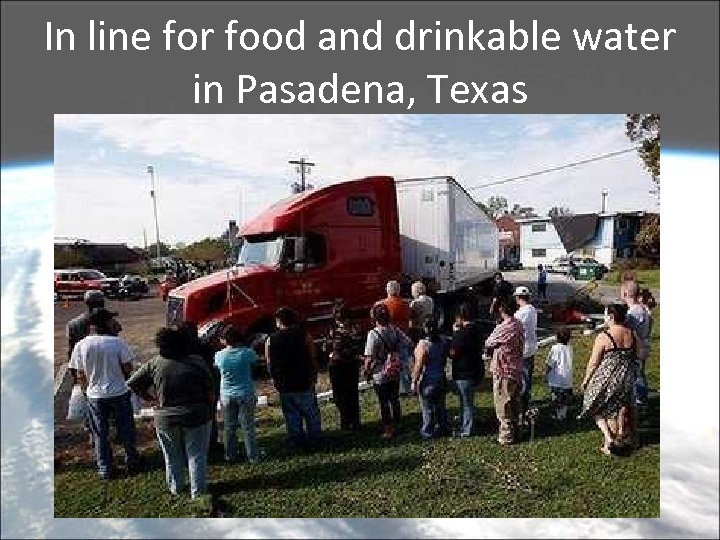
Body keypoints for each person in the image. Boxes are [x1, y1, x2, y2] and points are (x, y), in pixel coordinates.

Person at [128, 327, 215, 498]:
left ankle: (176, 488)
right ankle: (198, 491)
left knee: (171, 455)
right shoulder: (197, 361)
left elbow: (132, 383)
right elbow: (210, 389)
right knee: (196, 454)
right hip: (196, 414)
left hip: (166, 417)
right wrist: (209, 409)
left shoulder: (154, 363)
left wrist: (150, 399)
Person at [69, 308, 141, 480]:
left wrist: (87, 391)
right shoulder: (116, 342)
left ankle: (105, 468)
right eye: (110, 320)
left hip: (95, 396)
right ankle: (132, 460)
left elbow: (79, 374)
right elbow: (128, 368)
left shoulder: (81, 345)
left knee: (100, 433)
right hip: (119, 392)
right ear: (103, 323)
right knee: (126, 429)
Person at [578, 303, 643, 455]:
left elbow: (594, 362)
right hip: (627, 377)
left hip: (608, 379)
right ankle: (631, 437)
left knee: (592, 403)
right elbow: (641, 354)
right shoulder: (632, 333)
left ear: (612, 317)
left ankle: (609, 439)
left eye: (606, 315)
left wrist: (586, 380)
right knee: (626, 405)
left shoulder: (604, 336)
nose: (605, 318)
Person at [266, 307, 322, 449]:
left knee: (291, 414)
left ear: (279, 321)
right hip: (304, 378)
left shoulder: (271, 340)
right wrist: (314, 374)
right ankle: (315, 438)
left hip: (284, 382)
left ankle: (296, 439)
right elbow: (312, 357)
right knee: (310, 412)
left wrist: (273, 379)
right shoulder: (304, 335)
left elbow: (269, 362)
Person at [363, 303, 413, 439]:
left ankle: (388, 429)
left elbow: (369, 357)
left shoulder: (373, 334)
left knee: (383, 402)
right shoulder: (394, 330)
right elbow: (408, 342)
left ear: (375, 318)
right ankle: (398, 424)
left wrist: (366, 371)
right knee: (394, 399)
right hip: (394, 370)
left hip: (380, 372)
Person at [214, 325, 260, 463]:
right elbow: (255, 362)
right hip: (245, 392)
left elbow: (217, 368)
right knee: (248, 426)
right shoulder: (247, 353)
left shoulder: (219, 355)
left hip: (227, 394)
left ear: (224, 340)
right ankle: (253, 455)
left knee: (229, 426)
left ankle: (230, 455)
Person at [178, 321, 224, 458]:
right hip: (207, 385)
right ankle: (212, 443)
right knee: (210, 416)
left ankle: (188, 446)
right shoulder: (203, 347)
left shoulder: (180, 350)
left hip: (187, 387)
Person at [485, 297, 525, 445]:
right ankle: (517, 429)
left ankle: (506, 435)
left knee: (503, 404)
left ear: (502, 309)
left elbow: (489, 342)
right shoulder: (518, 324)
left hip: (504, 369)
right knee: (515, 402)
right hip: (516, 368)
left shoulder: (504, 327)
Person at [447, 302, 484, 438]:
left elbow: (452, 352)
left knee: (466, 402)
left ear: (460, 317)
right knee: (467, 400)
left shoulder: (462, 334)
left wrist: (455, 334)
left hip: (464, 372)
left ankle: (466, 429)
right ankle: (465, 421)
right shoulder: (476, 330)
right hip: (476, 368)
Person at [324, 304, 363, 431]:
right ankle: (351, 420)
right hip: (347, 365)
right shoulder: (353, 329)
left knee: (344, 395)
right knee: (347, 395)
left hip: (342, 366)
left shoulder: (340, 331)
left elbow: (329, 347)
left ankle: (349, 421)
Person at [411, 318, 450, 439]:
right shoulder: (443, 341)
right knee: (440, 405)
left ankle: (428, 431)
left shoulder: (423, 345)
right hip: (441, 377)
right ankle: (443, 427)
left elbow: (419, 365)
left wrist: (414, 382)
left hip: (428, 379)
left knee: (427, 407)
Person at [621, 280, 652, 406]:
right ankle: (641, 396)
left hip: (636, 346)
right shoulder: (642, 310)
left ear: (626, 293)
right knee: (640, 372)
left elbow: (628, 331)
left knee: (636, 372)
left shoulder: (633, 313)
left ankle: (639, 397)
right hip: (644, 343)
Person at [513, 286, 538, 422]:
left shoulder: (520, 314)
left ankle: (521, 408)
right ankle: (525, 403)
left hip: (522, 350)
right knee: (527, 379)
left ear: (517, 298)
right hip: (531, 348)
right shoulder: (532, 310)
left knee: (521, 381)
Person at [546, 327, 573, 420]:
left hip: (556, 379)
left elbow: (550, 363)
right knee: (565, 398)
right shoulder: (569, 348)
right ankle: (562, 414)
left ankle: (555, 415)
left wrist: (546, 373)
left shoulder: (555, 349)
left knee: (556, 398)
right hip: (567, 379)